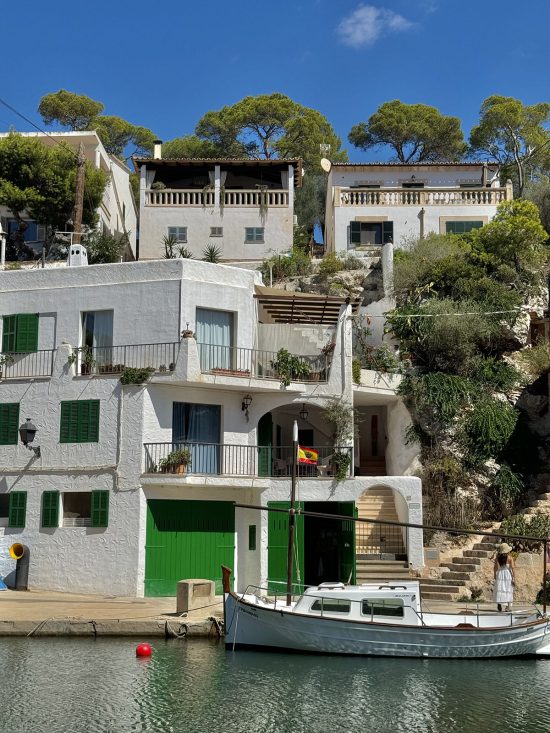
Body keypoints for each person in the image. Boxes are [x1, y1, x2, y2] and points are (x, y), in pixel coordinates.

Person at [493, 542, 515, 612]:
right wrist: (514, 577)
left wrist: (494, 575)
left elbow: (495, 568)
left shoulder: (497, 558)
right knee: (508, 589)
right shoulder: (510, 558)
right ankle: (507, 607)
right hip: (508, 574)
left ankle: (499, 604)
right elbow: (513, 568)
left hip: (500, 574)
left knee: (500, 588)